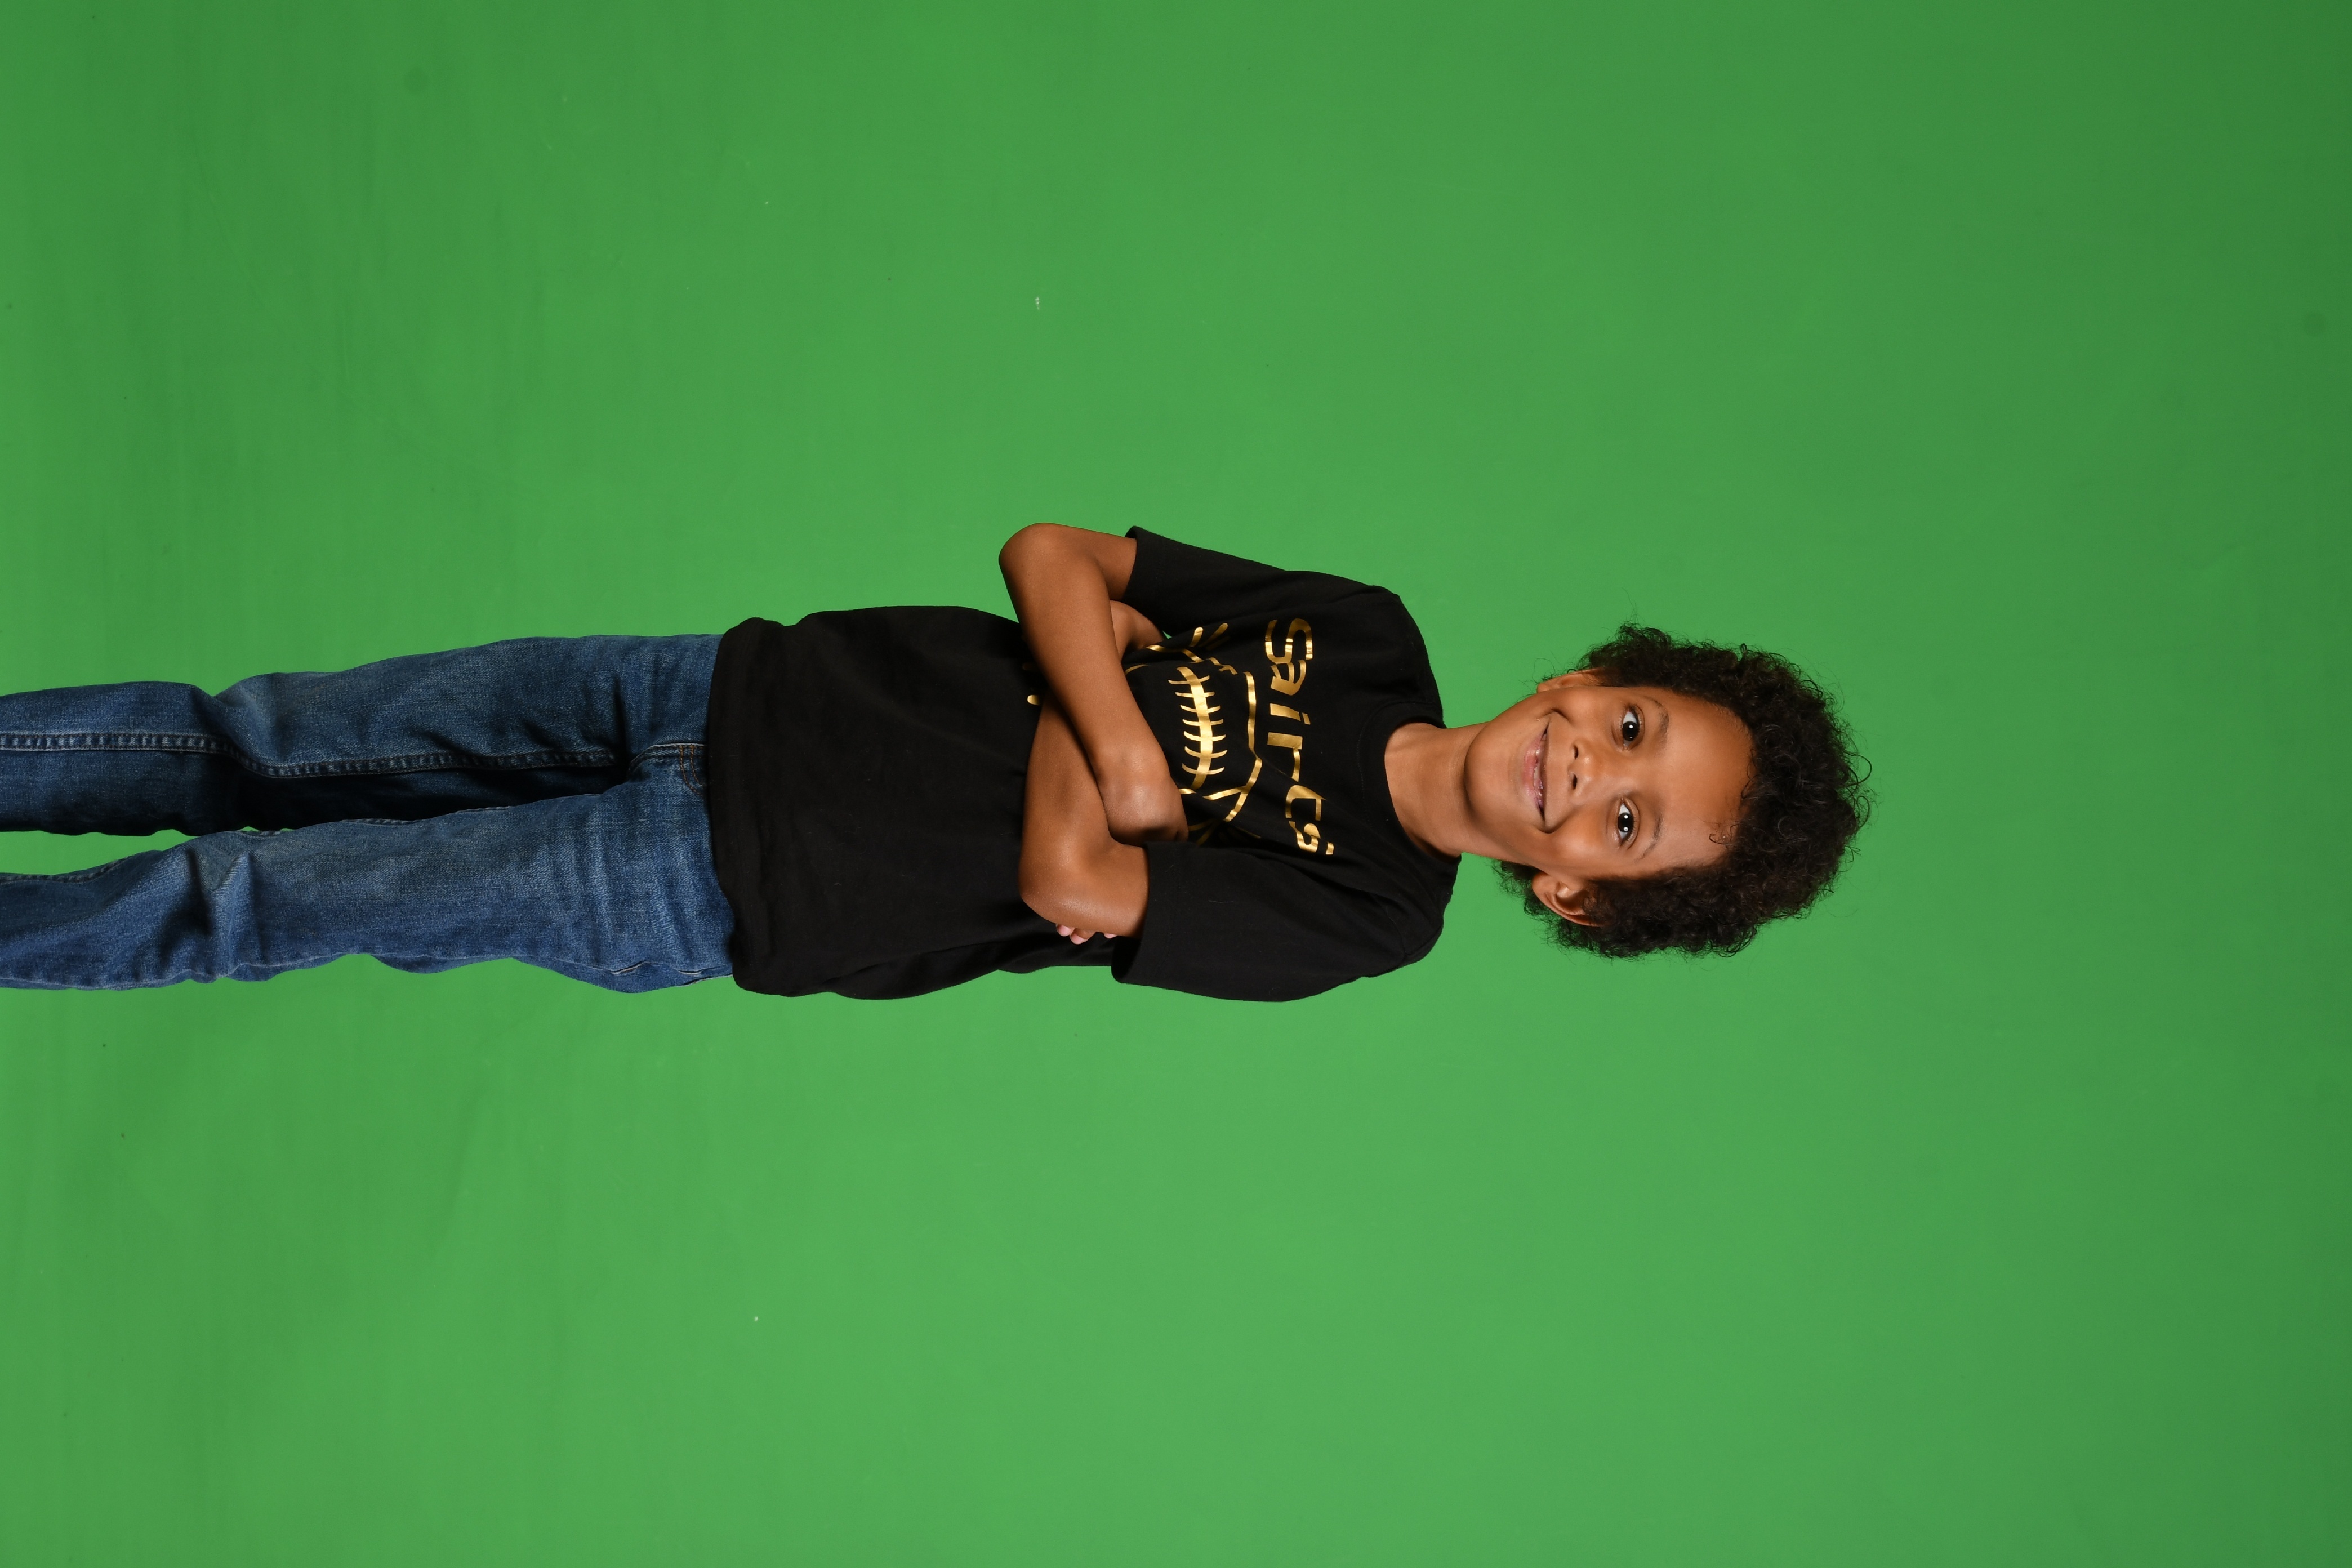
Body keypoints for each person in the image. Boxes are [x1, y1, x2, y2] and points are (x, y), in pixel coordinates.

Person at [0, 525, 1867, 1000]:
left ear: (1581, 892)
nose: (1587, 776)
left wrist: (1102, 690)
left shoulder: (1374, 914)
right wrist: (1109, 734)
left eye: (1630, 826)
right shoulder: (1365, 632)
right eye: (1630, 727)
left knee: (249, 900)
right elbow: (1055, 556)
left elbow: (1071, 887)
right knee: (248, 741)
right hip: (724, 689)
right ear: (1590, 677)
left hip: (729, 882)